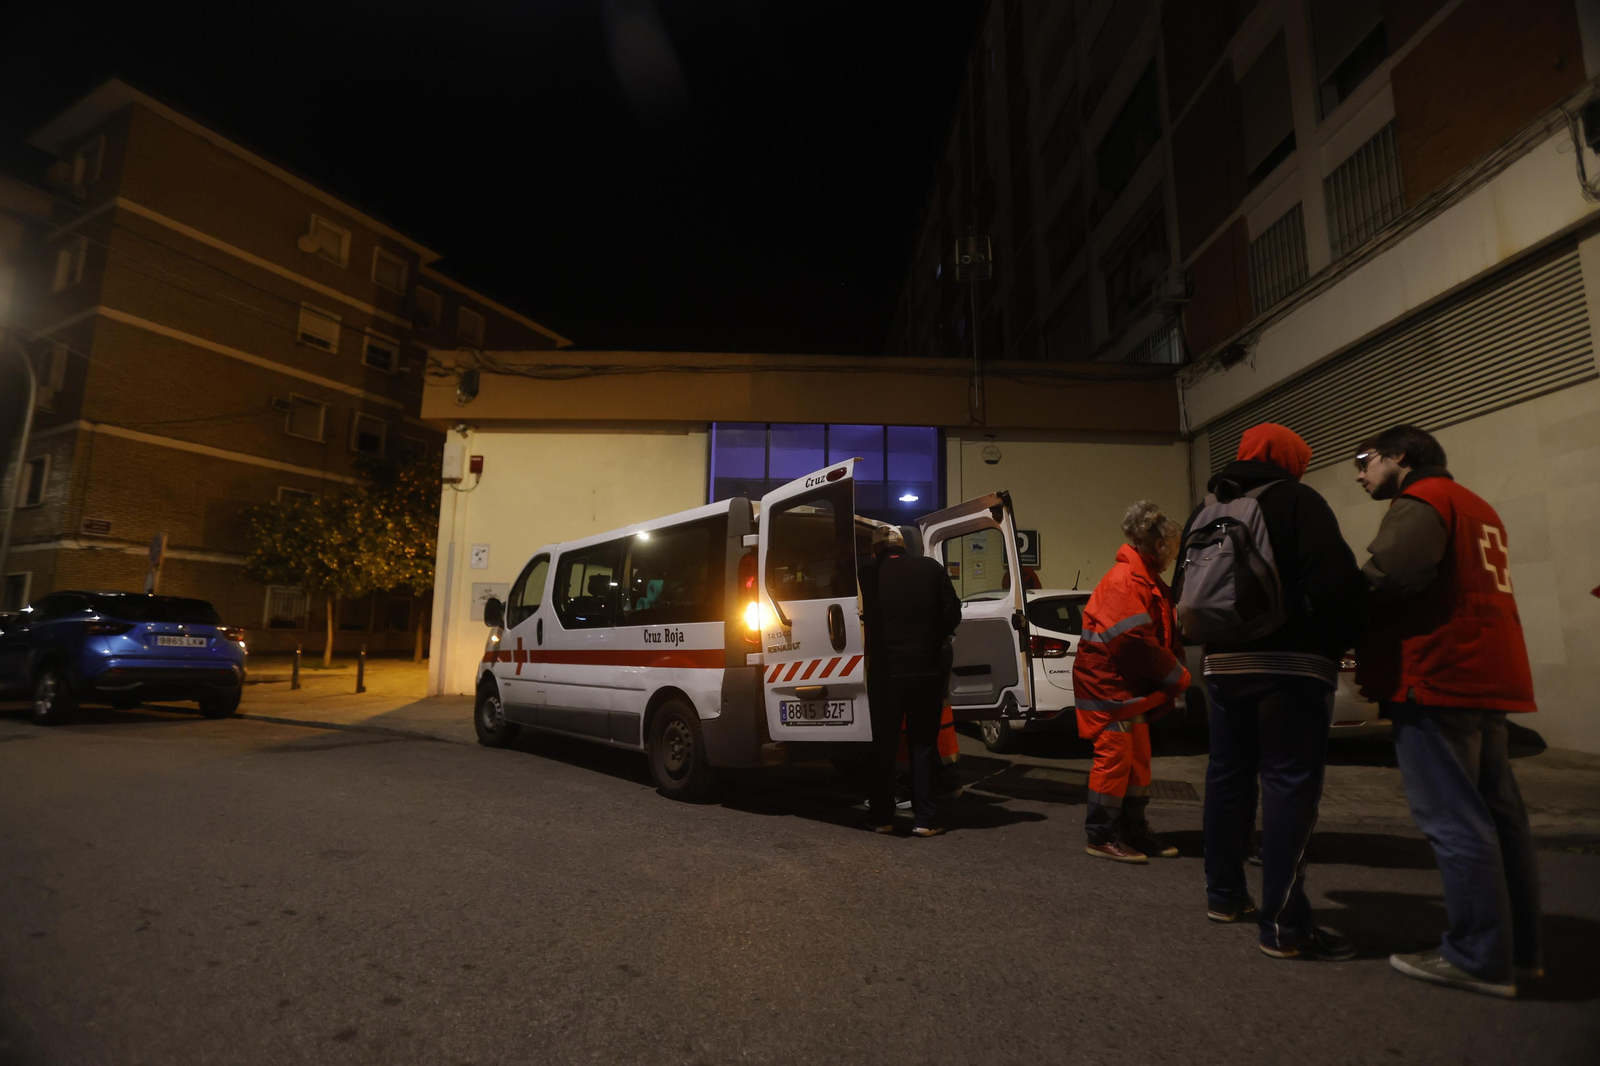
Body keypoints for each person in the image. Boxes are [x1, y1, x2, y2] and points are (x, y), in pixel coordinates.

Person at [1353, 425, 1541, 998]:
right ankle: (1519, 952)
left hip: (1438, 671)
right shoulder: (1476, 505)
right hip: (1488, 672)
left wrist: (1336, 606)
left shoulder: (1423, 501)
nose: (1360, 473)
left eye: (1365, 459)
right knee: (1501, 817)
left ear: (1399, 455)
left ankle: (1478, 956)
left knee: (1453, 817)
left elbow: (1389, 577)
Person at [1181, 423, 1365, 960]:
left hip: (1222, 663)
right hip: (1292, 664)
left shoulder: (1206, 508)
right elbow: (1336, 583)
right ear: (1291, 460)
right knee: (1288, 782)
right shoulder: (1298, 501)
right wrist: (1341, 641)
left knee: (1227, 775)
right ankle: (1285, 926)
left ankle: (1224, 896)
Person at [1072, 501, 1190, 863]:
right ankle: (1101, 835)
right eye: (1172, 547)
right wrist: (1176, 675)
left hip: (1121, 686)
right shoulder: (1126, 580)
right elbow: (1134, 640)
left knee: (1137, 759)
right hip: (1109, 687)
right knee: (1115, 757)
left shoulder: (1141, 579)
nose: (1173, 554)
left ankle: (1132, 829)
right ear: (1158, 544)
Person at [860, 525, 962, 836]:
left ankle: (881, 817)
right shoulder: (930, 569)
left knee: (884, 745)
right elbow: (953, 613)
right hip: (925, 670)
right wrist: (932, 636)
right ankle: (925, 819)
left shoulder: (867, 575)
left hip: (885, 673)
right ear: (904, 546)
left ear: (875, 551)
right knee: (923, 743)